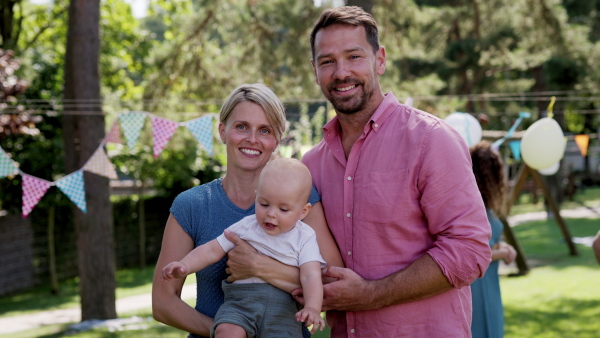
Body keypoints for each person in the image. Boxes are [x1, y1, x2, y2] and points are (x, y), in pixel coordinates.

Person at [297, 6, 492, 337]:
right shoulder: (311, 164)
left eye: (354, 56)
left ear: (380, 60)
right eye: (327, 61)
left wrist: (371, 295)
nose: (341, 72)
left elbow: (470, 250)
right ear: (315, 70)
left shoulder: (431, 140)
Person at [152, 83, 344, 338]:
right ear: (223, 131)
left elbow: (334, 283)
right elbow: (163, 303)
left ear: (276, 139)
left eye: (264, 130)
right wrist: (227, 330)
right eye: (241, 126)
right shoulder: (192, 205)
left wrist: (259, 267)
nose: (252, 139)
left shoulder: (301, 200)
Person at [161, 158, 326, 337]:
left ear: (303, 211)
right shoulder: (247, 226)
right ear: (257, 197)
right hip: (241, 303)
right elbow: (211, 250)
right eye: (264, 204)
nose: (271, 214)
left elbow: (311, 274)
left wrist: (312, 307)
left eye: (283, 209)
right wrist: (185, 265)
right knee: (226, 331)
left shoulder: (305, 236)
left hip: (283, 310)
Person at [469, 141, 517, 338]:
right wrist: (503, 252)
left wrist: (500, 245)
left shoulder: (484, 205)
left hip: (489, 283)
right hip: (474, 286)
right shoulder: (471, 206)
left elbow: (488, 243)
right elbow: (473, 253)